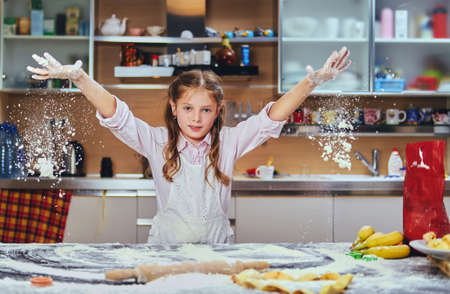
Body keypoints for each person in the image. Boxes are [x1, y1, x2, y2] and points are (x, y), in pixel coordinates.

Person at [27, 47, 351, 244]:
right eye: (188, 109)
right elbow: (116, 113)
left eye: (206, 110)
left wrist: (311, 81)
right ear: (173, 106)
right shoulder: (156, 142)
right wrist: (81, 79)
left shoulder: (230, 142)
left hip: (218, 252)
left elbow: (272, 116)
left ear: (218, 111)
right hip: (165, 252)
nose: (196, 119)